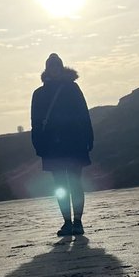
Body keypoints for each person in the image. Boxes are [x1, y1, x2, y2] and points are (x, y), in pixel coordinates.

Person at [31, 53, 94, 237]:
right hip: (52, 146)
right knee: (60, 186)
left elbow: (84, 114)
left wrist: (89, 137)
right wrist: (37, 144)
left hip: (74, 143)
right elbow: (35, 121)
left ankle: (78, 222)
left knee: (75, 184)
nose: (55, 70)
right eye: (52, 67)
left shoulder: (72, 89)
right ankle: (67, 222)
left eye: (57, 67)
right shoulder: (39, 94)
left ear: (61, 68)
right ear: (47, 69)